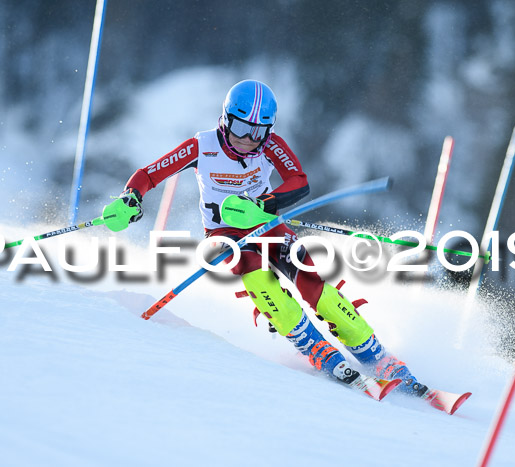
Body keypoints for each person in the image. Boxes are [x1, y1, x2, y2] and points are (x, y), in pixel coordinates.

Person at [118, 79, 427, 398]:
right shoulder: (202, 146)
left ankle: (372, 352)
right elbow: (150, 173)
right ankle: (312, 344)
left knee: (311, 280)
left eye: (259, 131)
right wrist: (132, 197)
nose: (249, 140)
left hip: (265, 223)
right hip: (223, 233)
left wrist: (263, 205)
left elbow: (298, 181)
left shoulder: (270, 144)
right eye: (240, 128)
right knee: (259, 278)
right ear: (225, 119)